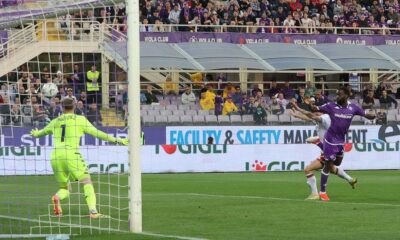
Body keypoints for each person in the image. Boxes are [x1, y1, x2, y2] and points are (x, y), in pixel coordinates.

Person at [30, 98, 128, 218]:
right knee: (86, 181)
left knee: (65, 187)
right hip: (71, 154)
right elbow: (98, 133)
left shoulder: (55, 121)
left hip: (55, 156)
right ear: (75, 107)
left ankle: (57, 197)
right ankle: (93, 212)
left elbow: (41, 133)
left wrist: (35, 133)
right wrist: (118, 140)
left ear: (61, 107)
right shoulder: (80, 120)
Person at [313, 87, 375, 201]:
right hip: (330, 139)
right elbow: (316, 109)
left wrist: (374, 115)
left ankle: (319, 145)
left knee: (337, 163)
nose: (338, 97)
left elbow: (366, 114)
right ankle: (322, 192)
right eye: (337, 95)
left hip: (341, 141)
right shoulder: (331, 106)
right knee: (328, 164)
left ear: (347, 95)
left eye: (340, 94)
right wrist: (311, 105)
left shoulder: (353, 107)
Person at [290, 107, 357, 200]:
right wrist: (296, 115)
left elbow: (312, 117)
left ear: (322, 112)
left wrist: (316, 142)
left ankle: (316, 194)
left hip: (328, 150)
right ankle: (350, 180)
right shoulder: (320, 119)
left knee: (308, 169)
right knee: (332, 169)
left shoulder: (325, 119)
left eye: (316, 112)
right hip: (329, 149)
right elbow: (309, 118)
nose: (314, 114)